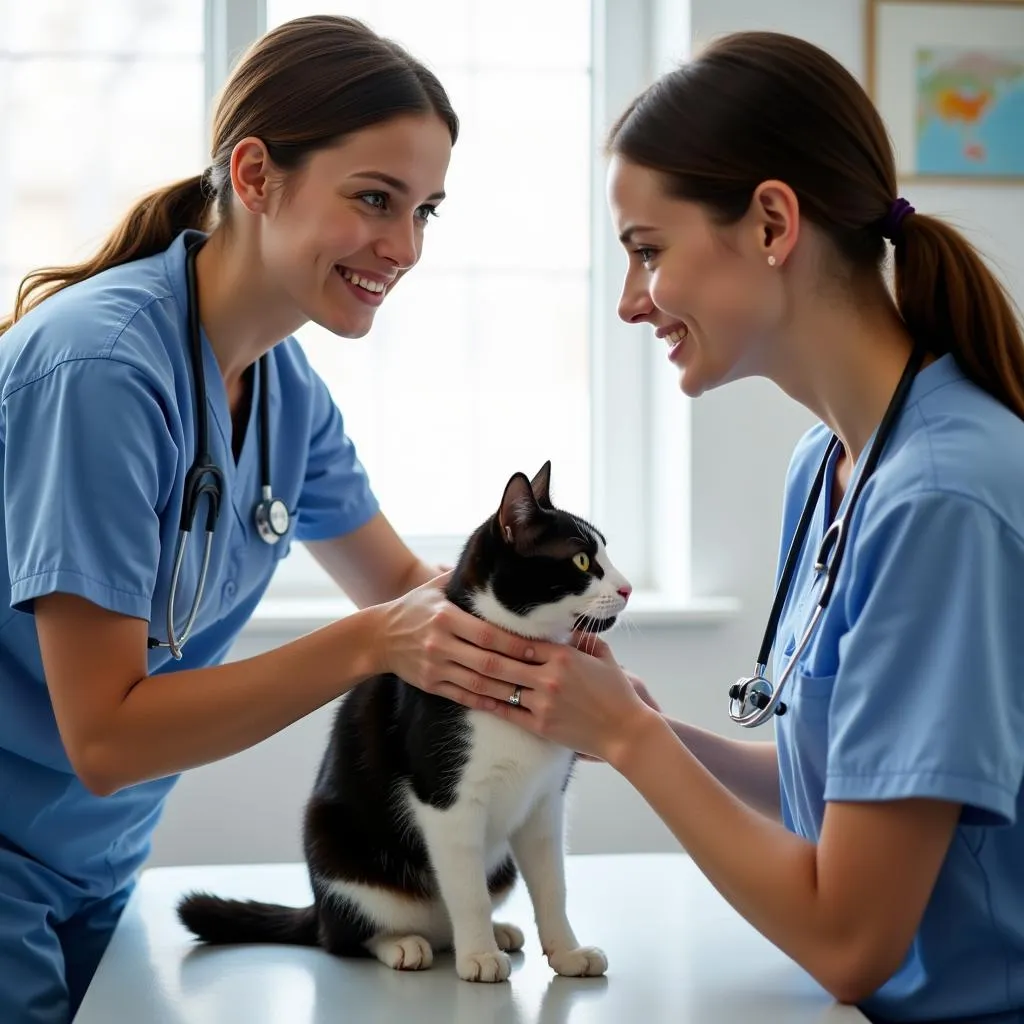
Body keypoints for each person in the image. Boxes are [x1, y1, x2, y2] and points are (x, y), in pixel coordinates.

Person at [0, 16, 539, 1024]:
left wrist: (546, 642)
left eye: (426, 210)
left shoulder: (284, 388)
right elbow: (106, 737)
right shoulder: (102, 371)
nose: (405, 246)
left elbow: (408, 593)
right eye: (375, 199)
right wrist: (369, 645)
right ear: (255, 175)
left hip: (97, 861)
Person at [485, 30, 1024, 1024]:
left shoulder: (942, 497)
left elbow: (850, 941)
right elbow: (844, 794)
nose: (628, 302)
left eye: (648, 251)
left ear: (773, 221)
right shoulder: (825, 466)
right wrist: (633, 724)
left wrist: (635, 737)